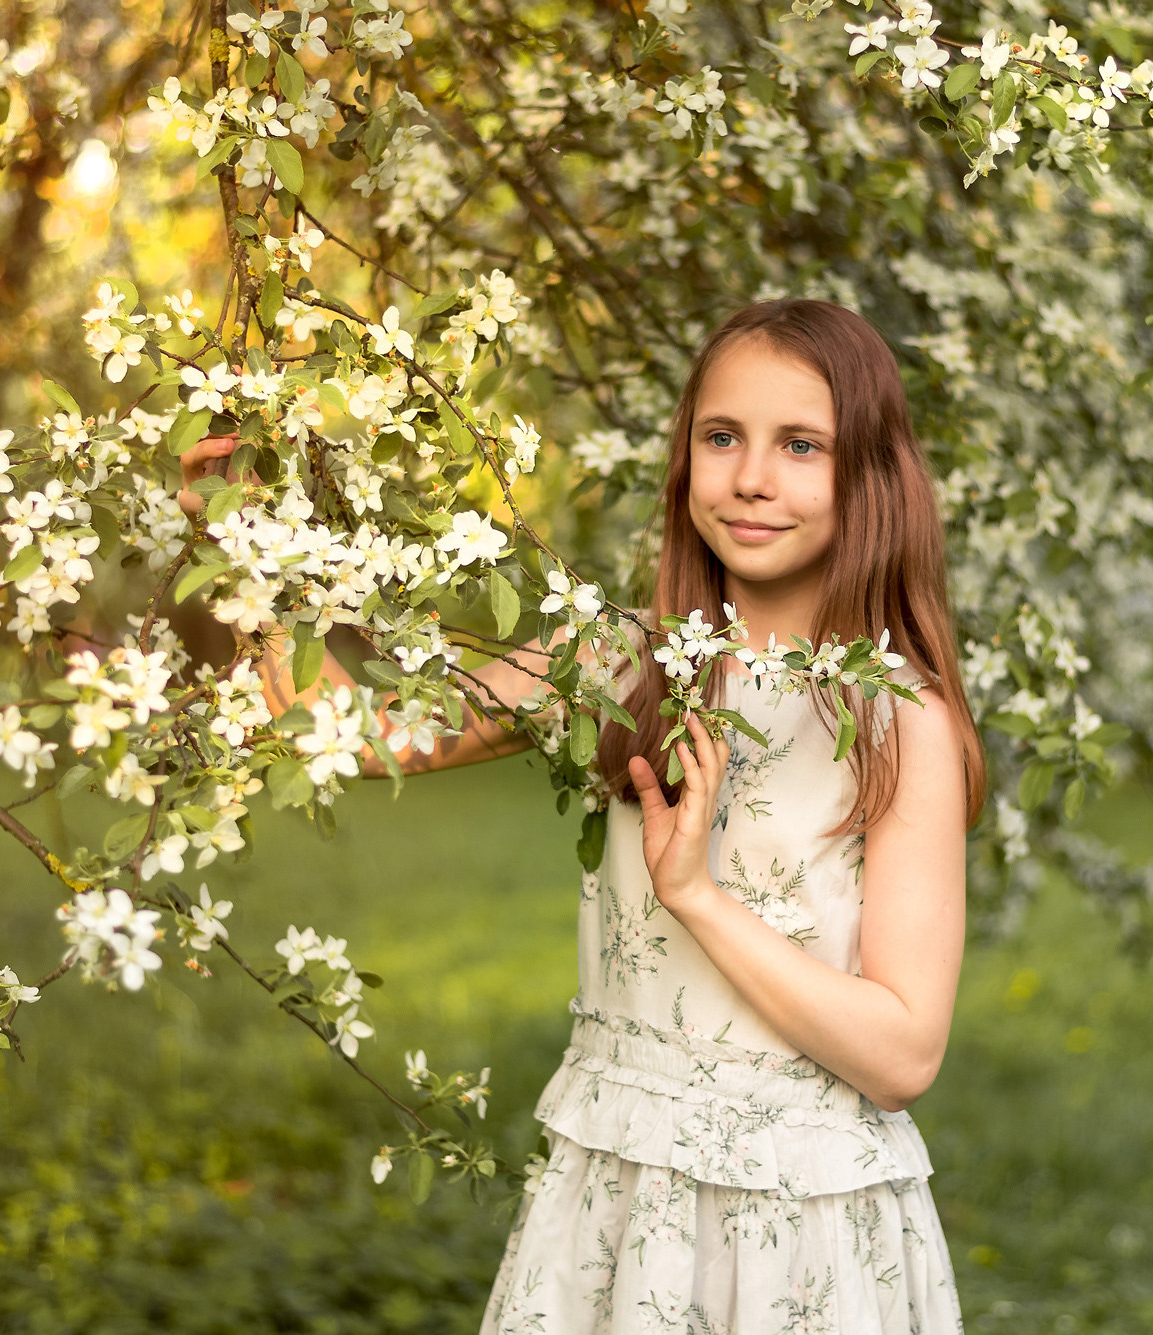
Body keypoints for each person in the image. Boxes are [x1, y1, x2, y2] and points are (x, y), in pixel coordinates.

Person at [180, 297, 988, 1334]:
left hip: (803, 1228)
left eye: (800, 446)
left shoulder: (893, 717)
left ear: (868, 476)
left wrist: (694, 895)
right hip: (615, 1208)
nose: (749, 478)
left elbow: (902, 1053)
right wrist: (252, 553)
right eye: (720, 437)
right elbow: (332, 731)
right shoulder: (614, 659)